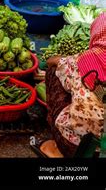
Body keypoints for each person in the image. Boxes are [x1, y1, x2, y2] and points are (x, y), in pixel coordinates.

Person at [42, 13, 105, 158]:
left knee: (54, 72)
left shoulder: (85, 60)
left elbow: (53, 62)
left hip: (78, 149)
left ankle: (59, 146)